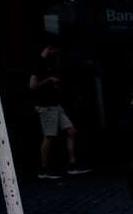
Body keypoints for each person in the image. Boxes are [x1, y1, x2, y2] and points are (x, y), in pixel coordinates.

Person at [29, 37, 91, 179]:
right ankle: (44, 170)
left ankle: (72, 165)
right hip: (47, 105)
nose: (57, 54)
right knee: (49, 135)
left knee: (71, 131)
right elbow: (32, 85)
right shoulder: (39, 63)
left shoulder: (46, 63)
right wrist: (49, 80)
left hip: (55, 104)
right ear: (50, 48)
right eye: (56, 50)